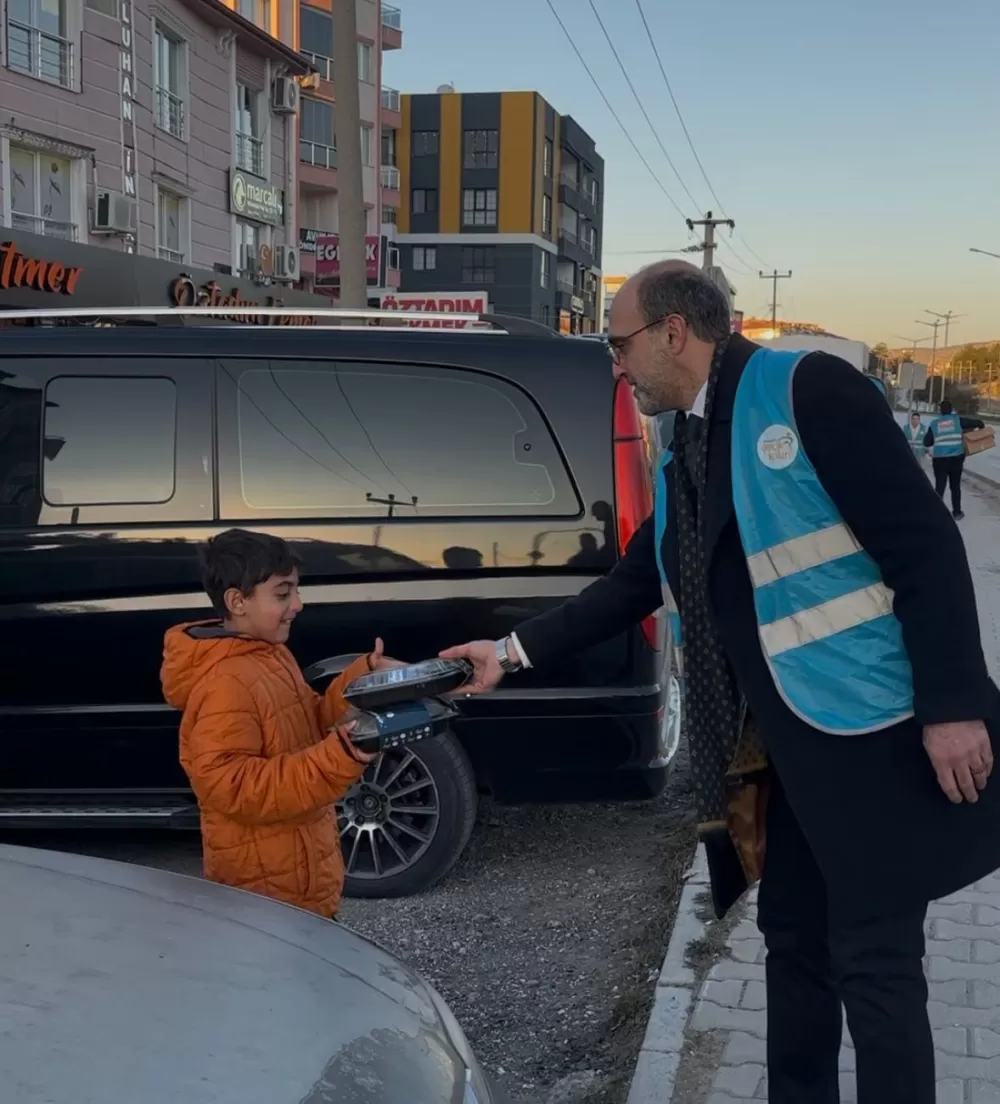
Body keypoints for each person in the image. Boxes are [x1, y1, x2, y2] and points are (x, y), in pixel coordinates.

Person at [441, 261, 1000, 1104]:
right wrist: (509, 652)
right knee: (793, 944)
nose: (615, 366)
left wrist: (953, 705)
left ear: (674, 331)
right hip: (784, 747)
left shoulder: (809, 390)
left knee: (876, 961)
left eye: (618, 344)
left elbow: (925, 545)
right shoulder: (685, 451)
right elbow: (635, 584)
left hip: (872, 729)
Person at [161, 528, 396, 919]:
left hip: (300, 883)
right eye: (283, 594)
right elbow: (233, 787)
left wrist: (362, 681)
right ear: (237, 601)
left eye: (296, 591)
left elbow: (309, 720)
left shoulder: (270, 654)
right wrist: (340, 755)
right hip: (262, 899)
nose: (298, 604)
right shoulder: (225, 681)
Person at [924, 398, 984, 520]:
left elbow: (927, 442)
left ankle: (936, 512)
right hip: (956, 459)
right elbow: (978, 423)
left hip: (940, 460)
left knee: (940, 486)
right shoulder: (958, 421)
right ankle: (957, 512)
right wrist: (980, 428)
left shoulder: (934, 424)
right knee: (955, 486)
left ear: (940, 411)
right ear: (951, 410)